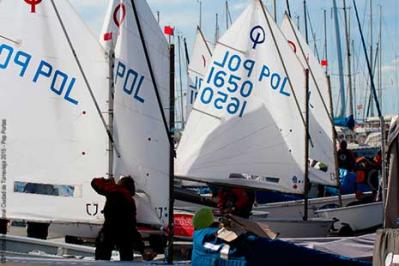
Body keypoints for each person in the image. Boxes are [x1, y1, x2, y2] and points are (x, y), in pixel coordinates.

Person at [91, 176, 156, 261]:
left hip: (109, 230)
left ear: (122, 184)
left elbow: (94, 182)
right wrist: (142, 250)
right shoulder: (130, 200)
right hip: (124, 233)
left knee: (102, 257)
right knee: (126, 255)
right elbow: (132, 227)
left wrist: (108, 181)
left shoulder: (113, 189)